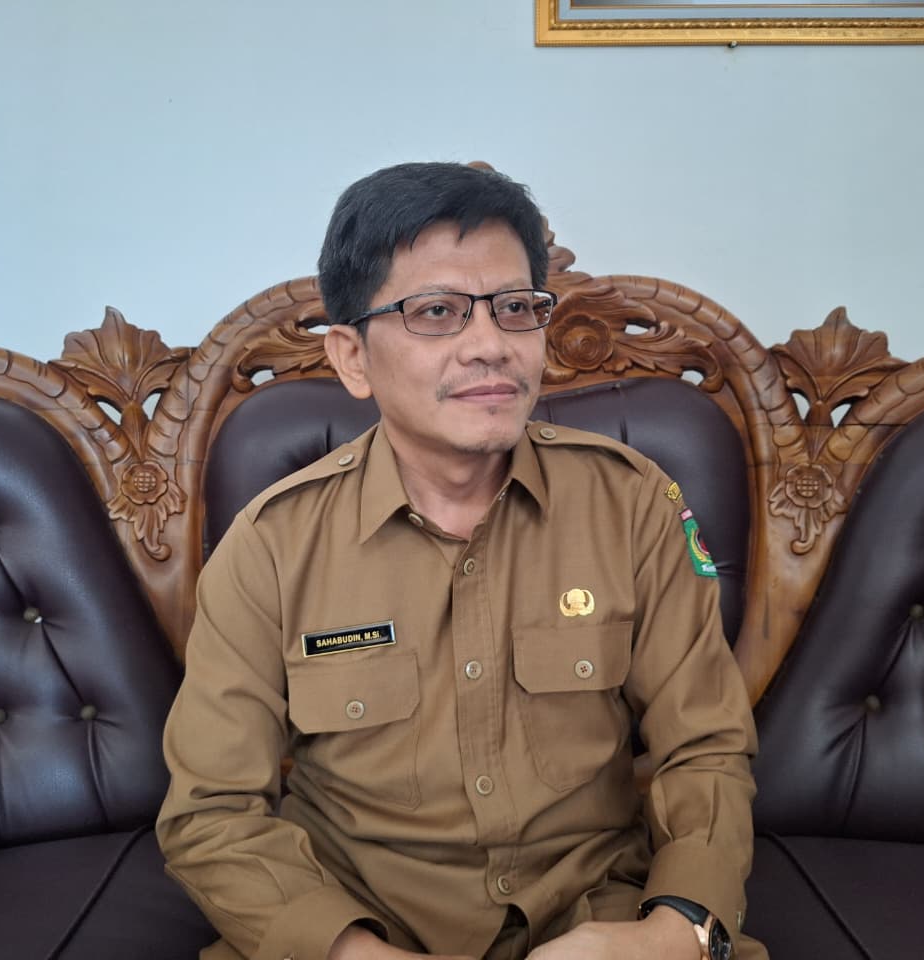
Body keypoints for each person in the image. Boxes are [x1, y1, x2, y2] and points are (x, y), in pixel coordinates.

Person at [156, 162, 765, 960]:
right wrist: (352, 954)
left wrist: (674, 933)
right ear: (351, 356)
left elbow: (704, 748)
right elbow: (211, 813)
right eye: (436, 312)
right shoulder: (272, 545)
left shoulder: (632, 505)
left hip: (598, 926)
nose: (490, 347)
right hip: (360, 934)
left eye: (516, 308)